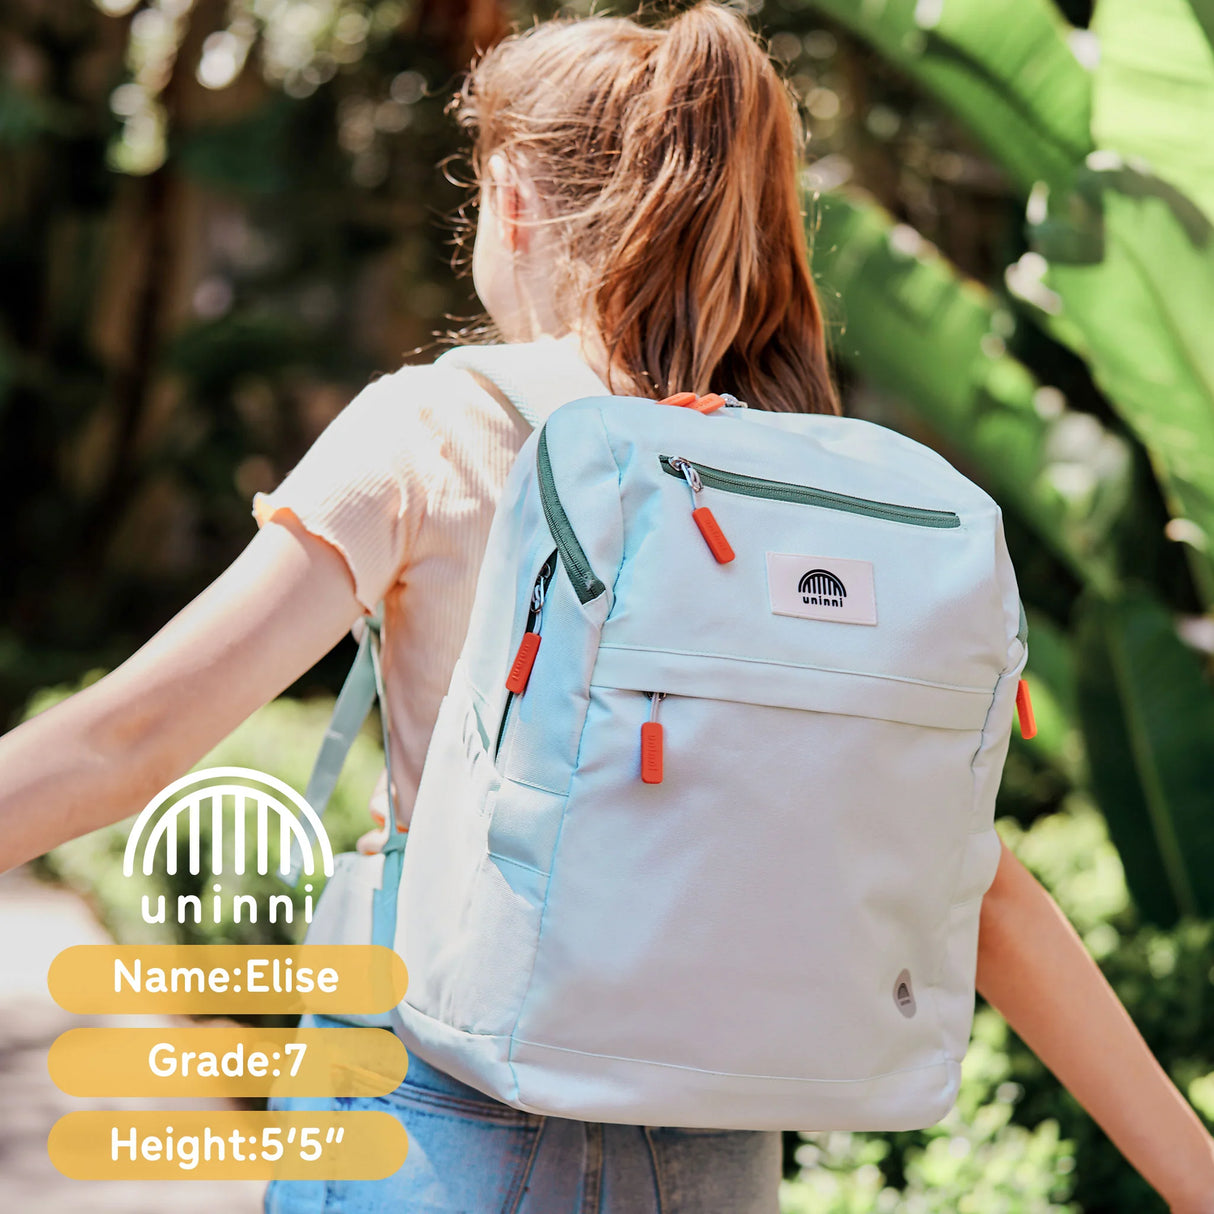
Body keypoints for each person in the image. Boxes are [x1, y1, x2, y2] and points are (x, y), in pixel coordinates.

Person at [1, 3, 1212, 1211]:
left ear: (514, 204)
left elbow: (128, 738)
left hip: (440, 1116)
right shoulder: (795, 482)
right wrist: (1191, 1170)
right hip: (712, 1151)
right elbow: (970, 878)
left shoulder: (434, 427)